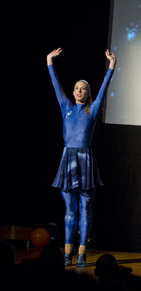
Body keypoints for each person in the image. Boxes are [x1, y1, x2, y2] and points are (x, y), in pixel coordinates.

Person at [47, 48, 116, 267]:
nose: (78, 91)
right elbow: (56, 84)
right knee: (70, 211)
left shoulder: (93, 110)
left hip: (85, 162)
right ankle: (66, 254)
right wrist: (49, 62)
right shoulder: (66, 106)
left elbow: (105, 87)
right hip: (68, 160)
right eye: (76, 88)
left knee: (86, 210)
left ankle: (82, 253)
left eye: (83, 89)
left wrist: (111, 66)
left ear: (88, 93)